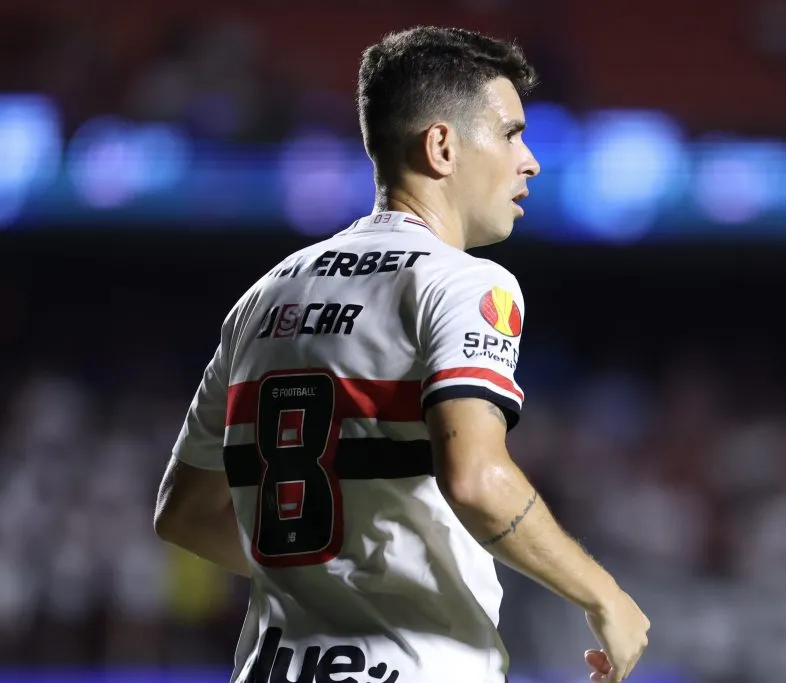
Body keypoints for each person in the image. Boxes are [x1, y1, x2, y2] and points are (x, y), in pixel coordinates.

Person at [153, 26, 649, 683]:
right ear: (442, 145)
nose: (529, 160)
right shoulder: (464, 282)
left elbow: (182, 513)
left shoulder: (263, 297)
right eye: (511, 134)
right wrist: (604, 595)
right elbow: (476, 479)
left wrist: (329, 580)